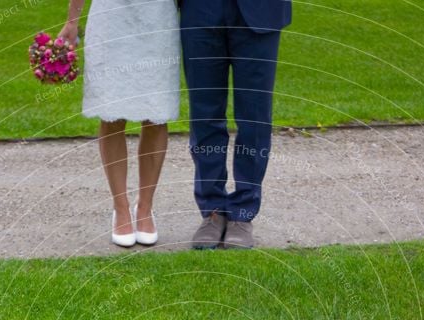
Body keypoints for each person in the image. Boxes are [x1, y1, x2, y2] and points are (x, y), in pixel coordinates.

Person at [59, 0, 181, 247]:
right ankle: (121, 208)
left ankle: (145, 208)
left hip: (157, 18)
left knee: (156, 113)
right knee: (111, 113)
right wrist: (72, 21)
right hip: (110, 18)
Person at [180, 0, 292, 249]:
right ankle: (212, 209)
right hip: (201, 10)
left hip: (260, 11)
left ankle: (243, 211)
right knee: (204, 113)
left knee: (254, 116)